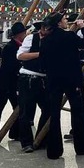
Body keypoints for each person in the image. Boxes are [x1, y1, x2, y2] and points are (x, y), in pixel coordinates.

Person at [38, 12, 84, 160]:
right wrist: (83, 28)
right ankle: (82, 147)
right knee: (77, 113)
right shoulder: (69, 36)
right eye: (64, 19)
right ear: (58, 23)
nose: (67, 21)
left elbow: (42, 64)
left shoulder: (45, 40)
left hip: (53, 81)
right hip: (72, 80)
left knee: (54, 115)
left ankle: (54, 150)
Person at [0, 22, 24, 146]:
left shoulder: (20, 46)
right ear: (19, 34)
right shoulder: (10, 47)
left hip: (14, 83)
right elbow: (9, 67)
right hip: (5, 83)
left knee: (18, 108)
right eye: (24, 32)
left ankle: (15, 132)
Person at [15, 20, 50, 153]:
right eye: (47, 27)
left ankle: (40, 139)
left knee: (47, 109)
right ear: (42, 28)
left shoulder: (52, 39)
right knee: (26, 112)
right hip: (28, 78)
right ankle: (26, 142)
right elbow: (20, 55)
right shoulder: (31, 38)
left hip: (44, 79)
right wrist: (40, 54)